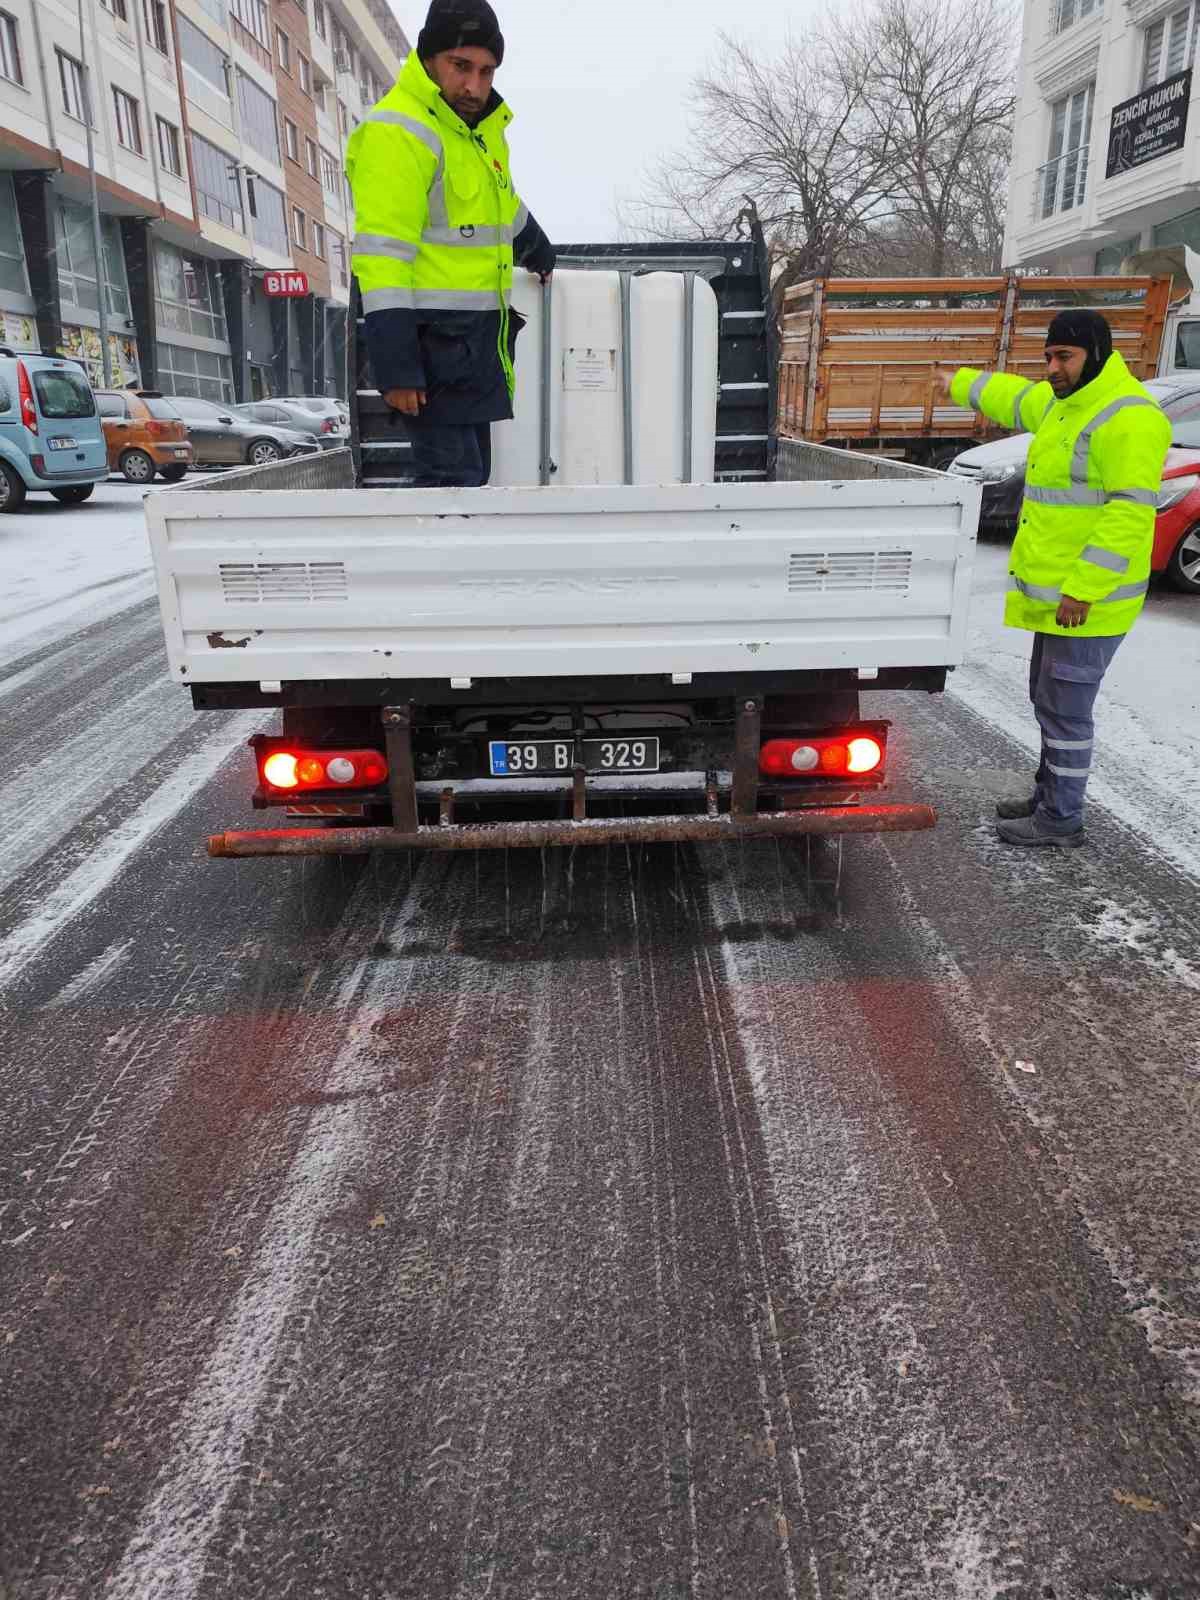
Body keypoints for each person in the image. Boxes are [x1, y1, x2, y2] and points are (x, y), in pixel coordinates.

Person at [936, 310, 1170, 847]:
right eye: (1048, 356)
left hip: (1089, 604)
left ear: (1097, 353)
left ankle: (1061, 820)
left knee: (1066, 712)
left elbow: (1129, 514)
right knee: (1047, 701)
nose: (1051, 368)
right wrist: (960, 384)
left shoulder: (1128, 418)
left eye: (1063, 357)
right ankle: (1048, 796)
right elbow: (1014, 397)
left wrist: (1085, 589)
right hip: (1063, 599)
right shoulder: (1065, 404)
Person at [345, 0, 555, 488]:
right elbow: (383, 255)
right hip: (429, 349)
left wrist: (538, 249)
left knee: (471, 479)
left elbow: (500, 207)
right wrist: (397, 368)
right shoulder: (399, 131)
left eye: (486, 71)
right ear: (428, 58)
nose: (475, 86)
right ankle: (419, 565)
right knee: (448, 487)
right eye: (461, 66)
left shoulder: (474, 134)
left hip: (473, 348)